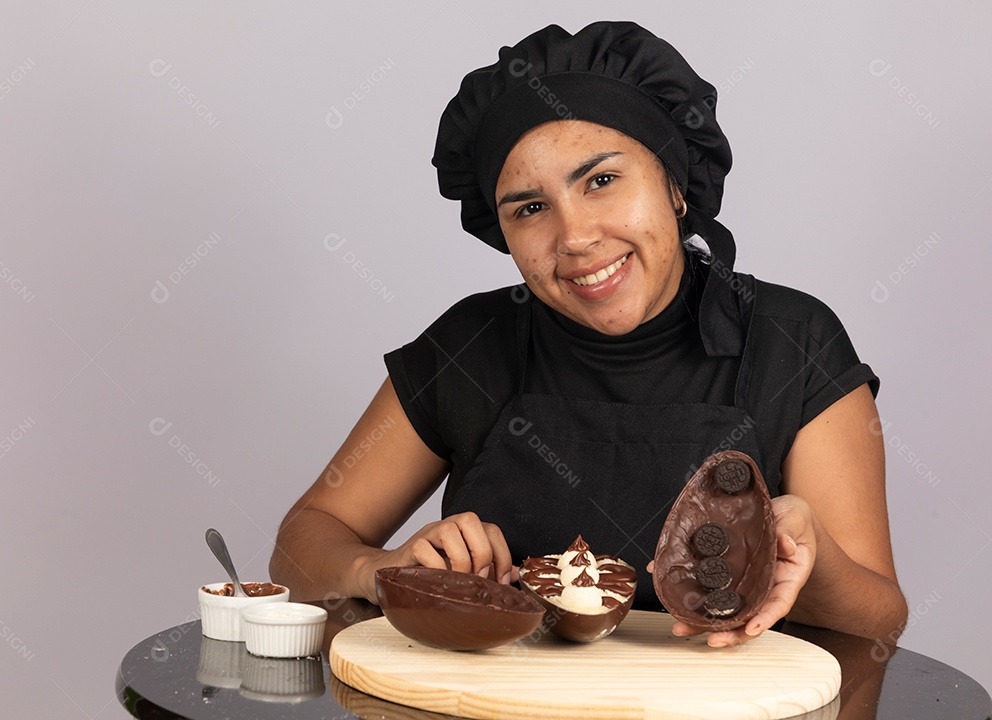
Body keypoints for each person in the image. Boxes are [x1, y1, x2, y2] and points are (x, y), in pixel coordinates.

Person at [271, 21, 908, 647]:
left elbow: (880, 622)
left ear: (674, 185)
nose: (575, 237)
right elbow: (303, 542)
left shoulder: (792, 343)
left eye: (601, 180)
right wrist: (377, 569)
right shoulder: (472, 346)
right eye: (530, 208)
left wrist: (807, 558)